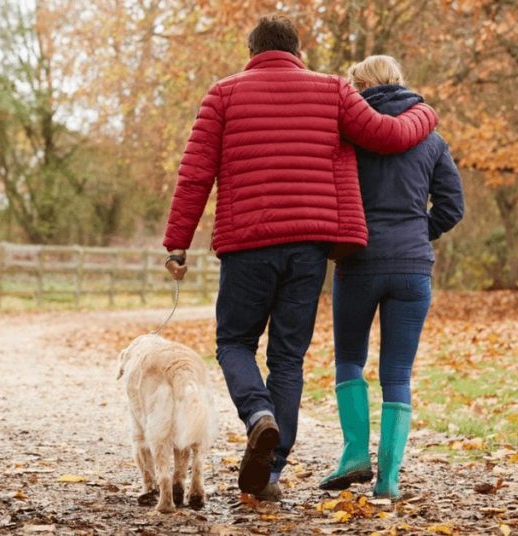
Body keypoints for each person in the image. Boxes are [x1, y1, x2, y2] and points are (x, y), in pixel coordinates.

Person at [161, 15, 440, 500]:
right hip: (310, 246)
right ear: (298, 52)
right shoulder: (332, 90)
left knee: (233, 341)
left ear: (252, 53)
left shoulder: (223, 94)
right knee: (288, 357)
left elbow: (194, 174)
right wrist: (427, 113)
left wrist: (177, 244)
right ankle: (271, 470)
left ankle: (257, 415)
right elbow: (390, 136)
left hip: (247, 243)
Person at [318, 55, 464, 498]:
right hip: (412, 268)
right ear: (400, 81)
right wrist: (418, 232)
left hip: (359, 263)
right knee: (397, 372)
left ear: (358, 87)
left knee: (349, 359)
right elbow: (452, 208)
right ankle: (389, 479)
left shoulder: (348, 138)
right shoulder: (432, 141)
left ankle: (354, 453)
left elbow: (329, 197)